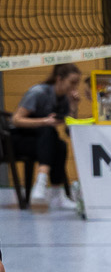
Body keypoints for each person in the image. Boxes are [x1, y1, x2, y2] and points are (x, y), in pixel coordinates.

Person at [13, 63, 82, 213]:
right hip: (18, 141)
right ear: (59, 79)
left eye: (77, 83)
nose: (74, 86)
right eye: (72, 82)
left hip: (42, 143)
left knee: (61, 145)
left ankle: (55, 195)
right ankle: (42, 182)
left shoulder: (64, 99)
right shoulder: (38, 92)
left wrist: (73, 106)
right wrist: (44, 121)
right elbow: (16, 120)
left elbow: (69, 131)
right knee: (47, 131)